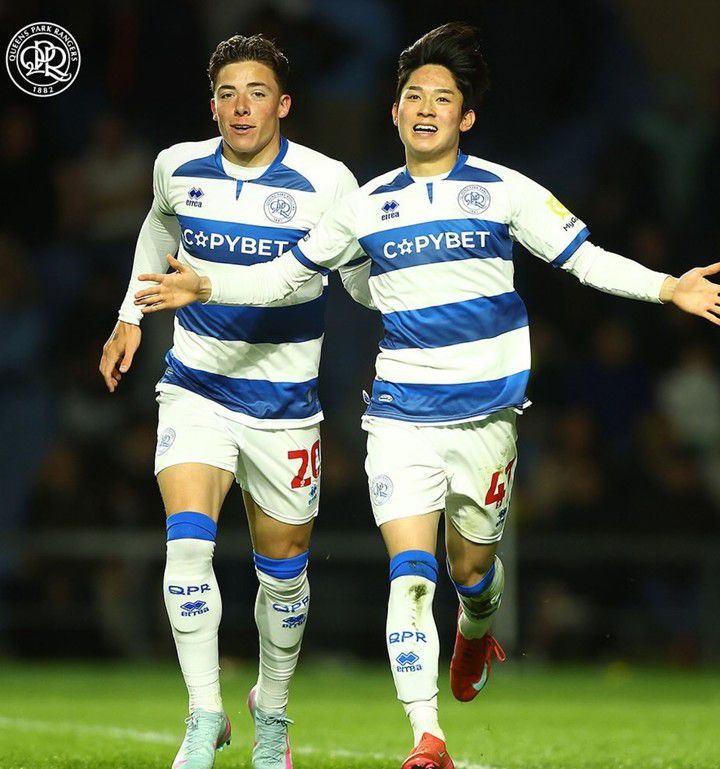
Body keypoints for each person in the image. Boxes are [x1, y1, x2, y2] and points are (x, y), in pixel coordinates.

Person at [133, 23, 720, 769]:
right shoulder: (364, 206)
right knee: (410, 576)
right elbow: (285, 276)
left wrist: (668, 287)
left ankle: (477, 625)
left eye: (442, 98)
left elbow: (584, 258)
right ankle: (426, 735)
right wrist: (206, 284)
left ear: (465, 117)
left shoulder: (504, 190)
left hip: (487, 420)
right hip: (400, 419)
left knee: (471, 569)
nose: (426, 108)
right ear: (394, 111)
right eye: (413, 95)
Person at [99, 33, 373, 769]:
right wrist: (131, 314)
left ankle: (272, 711)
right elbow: (159, 224)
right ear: (213, 105)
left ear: (284, 105)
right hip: (197, 386)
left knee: (283, 569)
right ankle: (204, 713)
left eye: (257, 93)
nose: (241, 106)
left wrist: (408, 309)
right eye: (227, 93)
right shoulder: (176, 167)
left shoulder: (329, 182)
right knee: (187, 541)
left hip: (285, 404)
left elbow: (354, 276)